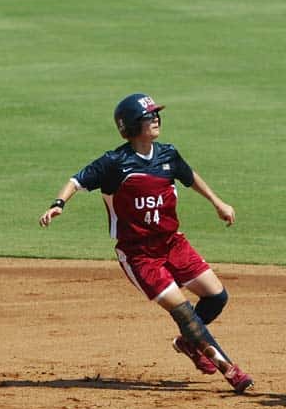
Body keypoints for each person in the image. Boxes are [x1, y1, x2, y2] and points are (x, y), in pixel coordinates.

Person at [39, 93, 253, 393]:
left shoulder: (167, 155)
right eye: (148, 115)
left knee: (216, 297)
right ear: (130, 125)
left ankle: (188, 342)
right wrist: (58, 203)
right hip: (139, 255)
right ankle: (229, 369)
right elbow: (78, 180)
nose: (155, 119)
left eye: (156, 114)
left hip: (172, 243)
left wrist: (218, 203)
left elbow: (189, 176)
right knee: (184, 312)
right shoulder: (115, 163)